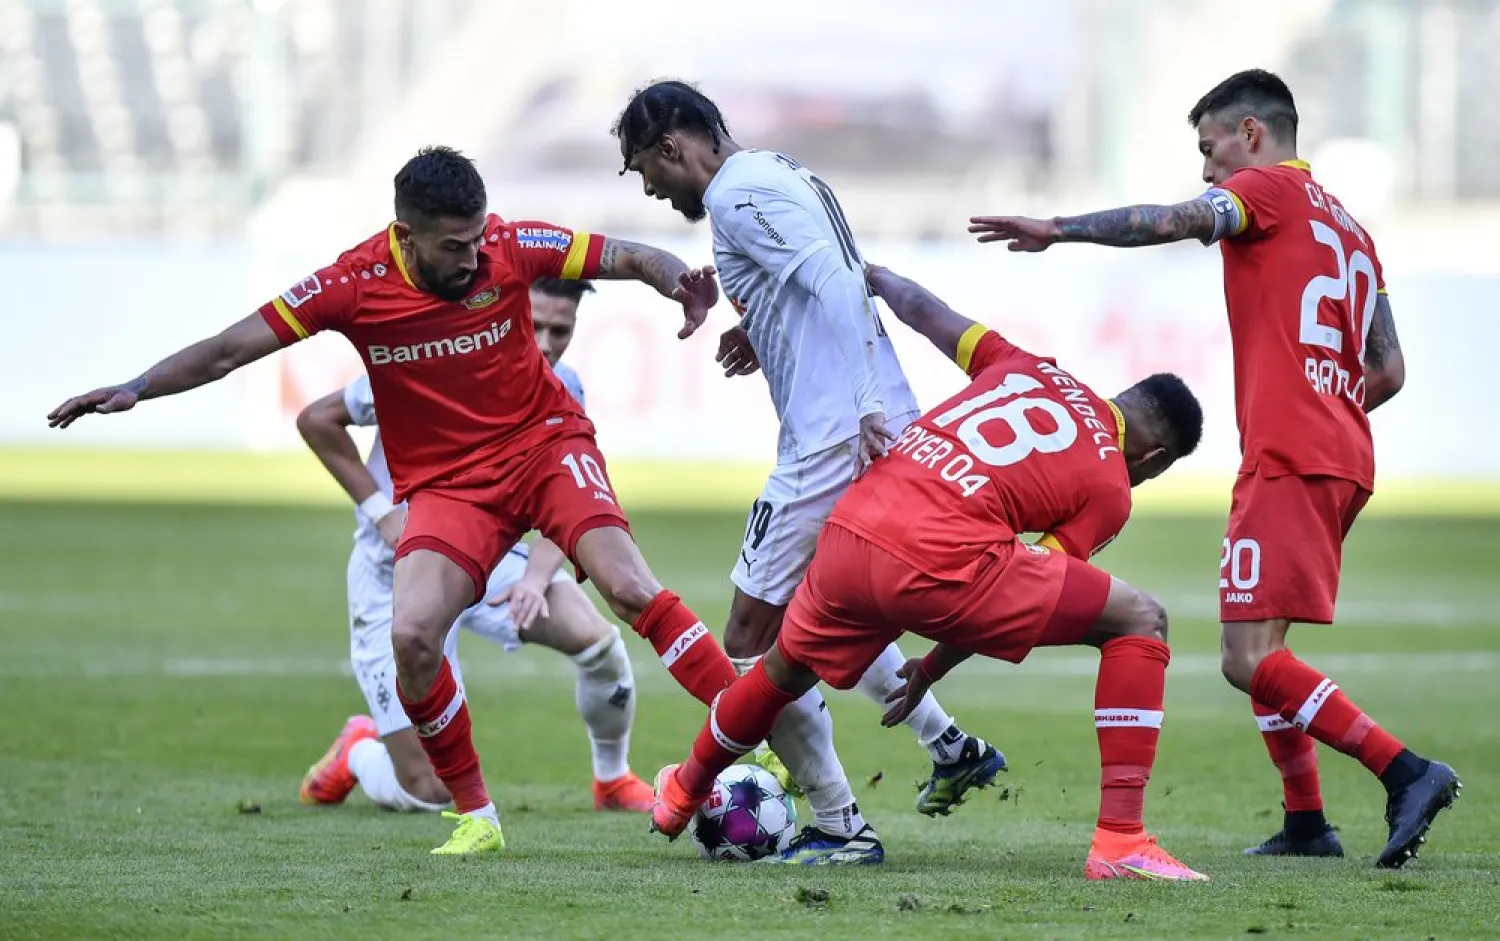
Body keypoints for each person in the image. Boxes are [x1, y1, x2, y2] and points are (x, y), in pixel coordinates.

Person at [47, 146, 742, 856]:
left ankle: (747, 734)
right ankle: (476, 816)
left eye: (477, 239)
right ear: (406, 236)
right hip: (448, 487)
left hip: (542, 448)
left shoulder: (507, 244)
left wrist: (676, 282)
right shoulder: (353, 284)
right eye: (454, 246)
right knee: (412, 637)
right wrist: (137, 387)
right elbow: (231, 350)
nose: (473, 258)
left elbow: (626, 255)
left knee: (625, 590)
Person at [965, 68, 1459, 868]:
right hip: (1343, 455)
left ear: (1251, 133)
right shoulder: (1353, 231)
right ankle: (1306, 821)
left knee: (1245, 656)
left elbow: (1173, 220)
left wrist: (1057, 228)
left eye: (1210, 146)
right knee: (1266, 644)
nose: (1206, 169)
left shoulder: (1264, 190)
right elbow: (1389, 369)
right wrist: (1327, 408)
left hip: (1290, 457)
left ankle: (1404, 770)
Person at [649, 263, 1208, 880]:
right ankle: (1122, 841)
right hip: (939, 556)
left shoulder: (1027, 365)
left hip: (852, 527)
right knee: (1141, 620)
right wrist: (931, 667)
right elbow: (1032, 580)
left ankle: (681, 792)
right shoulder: (1111, 488)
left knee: (777, 673)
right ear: (1154, 459)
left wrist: (865, 274)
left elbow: (920, 307)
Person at [613, 80, 1004, 864]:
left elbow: (833, 278)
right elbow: (817, 281)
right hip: (871, 420)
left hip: (832, 440)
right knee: (825, 609)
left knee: (751, 637)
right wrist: (760, 329)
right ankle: (949, 744)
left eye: (643, 170)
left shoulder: (734, 196)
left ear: (670, 147)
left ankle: (839, 823)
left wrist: (862, 402)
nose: (650, 189)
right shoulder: (784, 172)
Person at [296, 277, 654, 817]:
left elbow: (569, 503)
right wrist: (381, 512)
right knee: (427, 793)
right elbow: (316, 420)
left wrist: (535, 578)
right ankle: (359, 751)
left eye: (561, 330)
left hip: (485, 564)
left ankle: (612, 779)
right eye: (534, 325)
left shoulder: (563, 385)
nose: (546, 344)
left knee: (598, 641)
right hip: (394, 577)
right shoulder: (429, 363)